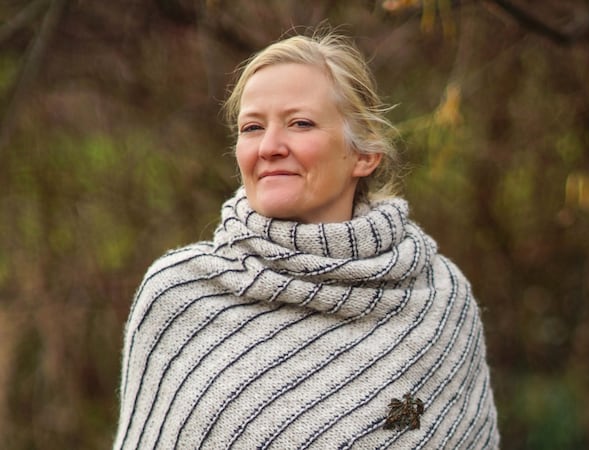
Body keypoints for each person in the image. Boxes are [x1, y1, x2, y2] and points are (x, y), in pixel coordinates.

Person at [114, 30, 499, 449]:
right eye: (252, 127)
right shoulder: (180, 296)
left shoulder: (438, 299)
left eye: (300, 123)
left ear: (364, 155)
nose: (270, 146)